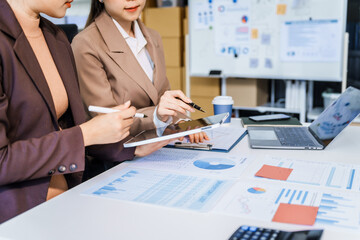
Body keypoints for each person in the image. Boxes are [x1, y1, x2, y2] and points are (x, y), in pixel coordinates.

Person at [0, 0, 166, 223]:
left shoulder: (55, 37)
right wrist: (87, 133)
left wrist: (130, 148)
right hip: (19, 215)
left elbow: (69, 130)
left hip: (69, 199)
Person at [71, 0, 209, 144]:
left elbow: (161, 96)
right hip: (121, 154)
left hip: (160, 145)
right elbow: (106, 118)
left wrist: (183, 122)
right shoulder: (86, 44)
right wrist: (156, 115)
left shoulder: (153, 37)